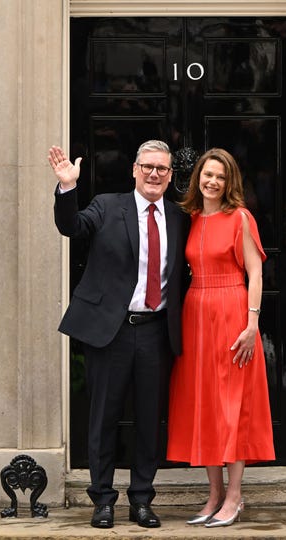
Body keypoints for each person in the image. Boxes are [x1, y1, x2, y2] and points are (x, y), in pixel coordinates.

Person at [48, 140, 190, 529]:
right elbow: (71, 227)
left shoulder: (179, 218)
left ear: (170, 175)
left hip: (156, 334)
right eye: (147, 166)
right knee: (104, 419)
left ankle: (142, 500)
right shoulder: (108, 206)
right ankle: (103, 500)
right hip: (111, 332)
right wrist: (67, 188)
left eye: (162, 168)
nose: (154, 174)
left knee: (149, 421)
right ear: (134, 169)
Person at [167, 148, 275, 528]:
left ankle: (234, 496)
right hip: (196, 313)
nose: (212, 181)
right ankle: (213, 495)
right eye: (207, 174)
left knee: (232, 408)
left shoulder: (240, 217)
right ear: (198, 176)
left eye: (220, 177)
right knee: (206, 406)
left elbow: (256, 273)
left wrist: (251, 325)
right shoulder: (192, 218)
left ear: (230, 183)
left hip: (232, 311)